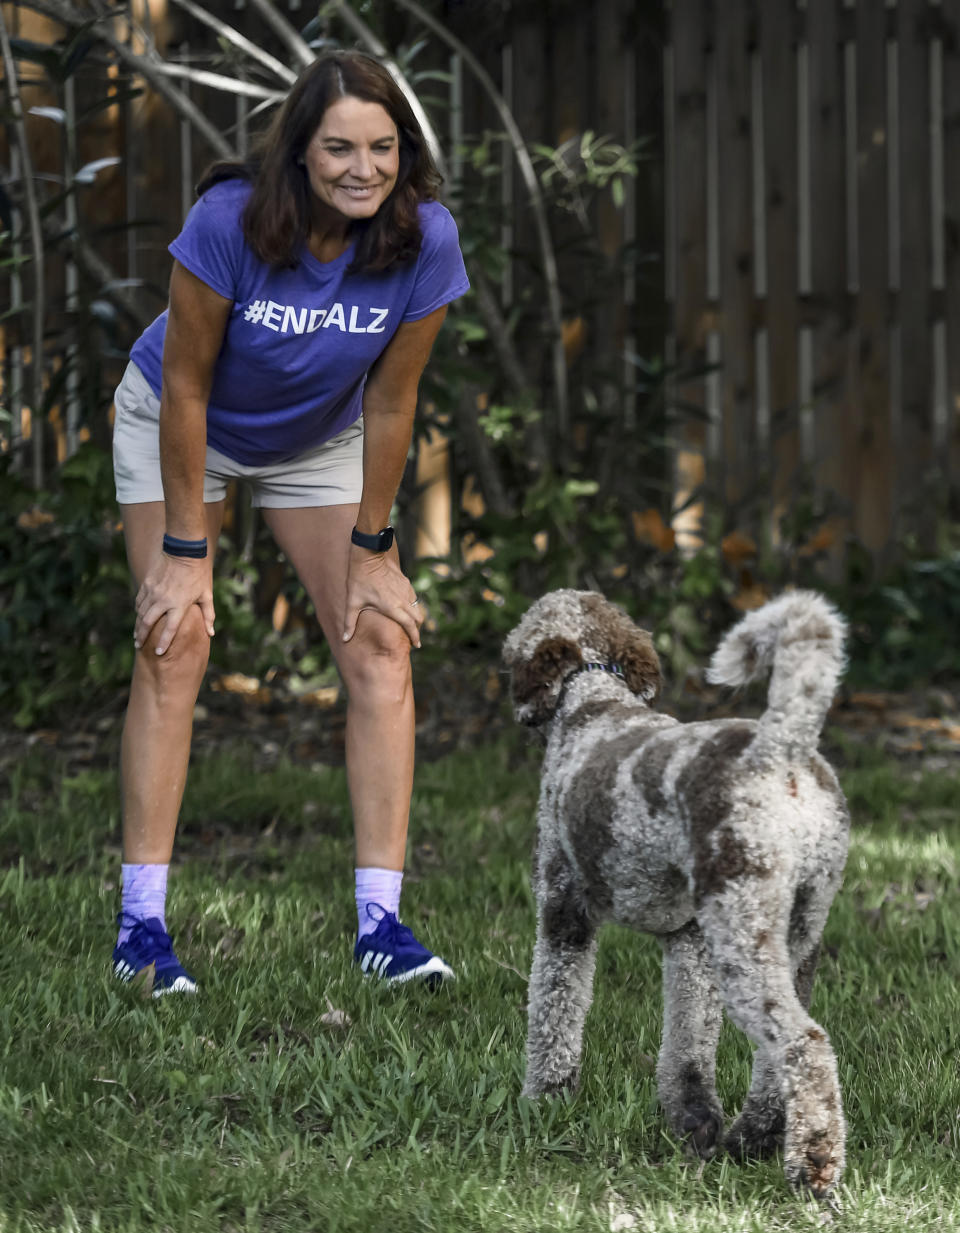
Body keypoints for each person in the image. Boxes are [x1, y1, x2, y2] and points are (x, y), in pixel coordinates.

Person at [109, 49, 469, 995]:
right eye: (341, 147)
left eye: (383, 147)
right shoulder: (230, 223)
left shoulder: (423, 239)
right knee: (174, 638)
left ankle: (380, 925)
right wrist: (188, 552)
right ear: (300, 152)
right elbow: (186, 382)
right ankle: (140, 927)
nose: (364, 168)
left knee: (381, 641)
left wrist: (375, 550)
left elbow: (393, 405)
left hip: (315, 440)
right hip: (180, 421)